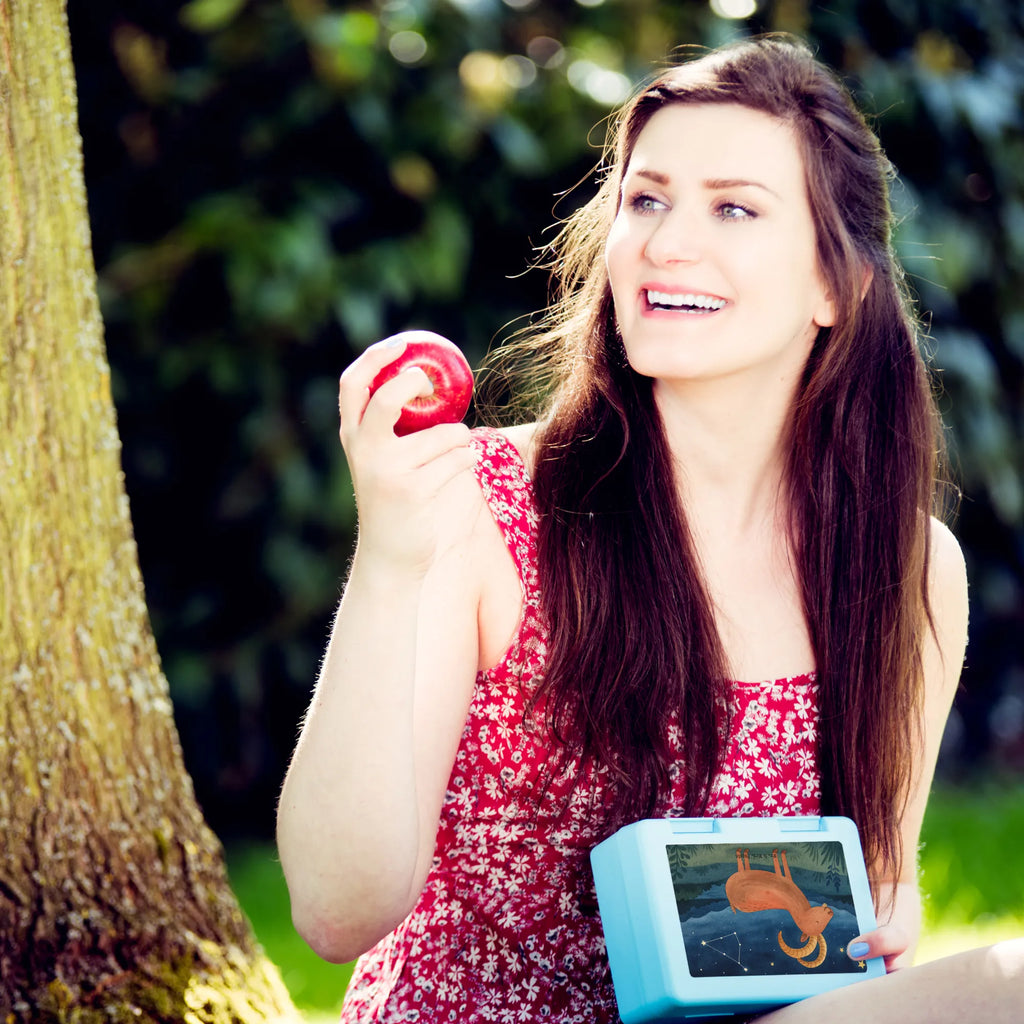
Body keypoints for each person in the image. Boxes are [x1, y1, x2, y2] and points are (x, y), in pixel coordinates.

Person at [276, 34, 1022, 1023]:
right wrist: (392, 556)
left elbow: (878, 897)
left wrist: (886, 912)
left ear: (833, 286)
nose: (667, 242)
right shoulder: (482, 507)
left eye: (733, 208)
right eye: (646, 198)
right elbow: (335, 912)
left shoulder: (909, 569)